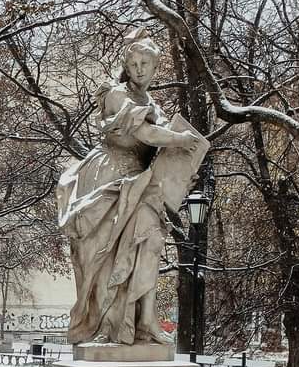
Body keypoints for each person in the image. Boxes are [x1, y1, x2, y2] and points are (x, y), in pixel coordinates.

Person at [56, 29, 205, 345]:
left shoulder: (153, 104)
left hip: (141, 180)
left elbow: (160, 146)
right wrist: (181, 140)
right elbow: (147, 135)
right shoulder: (115, 93)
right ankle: (108, 325)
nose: (139, 69)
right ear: (127, 64)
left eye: (145, 64)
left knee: (150, 243)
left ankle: (146, 321)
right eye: (134, 63)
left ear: (154, 68)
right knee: (104, 255)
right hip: (109, 177)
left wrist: (182, 167)